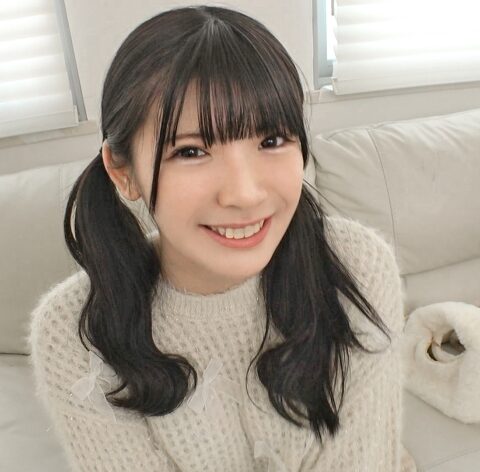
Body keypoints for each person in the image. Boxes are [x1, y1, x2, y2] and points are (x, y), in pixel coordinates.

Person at [28, 5, 417, 471]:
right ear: (122, 171)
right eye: (191, 151)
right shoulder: (75, 332)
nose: (245, 194)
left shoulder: (356, 264)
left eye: (271, 141)